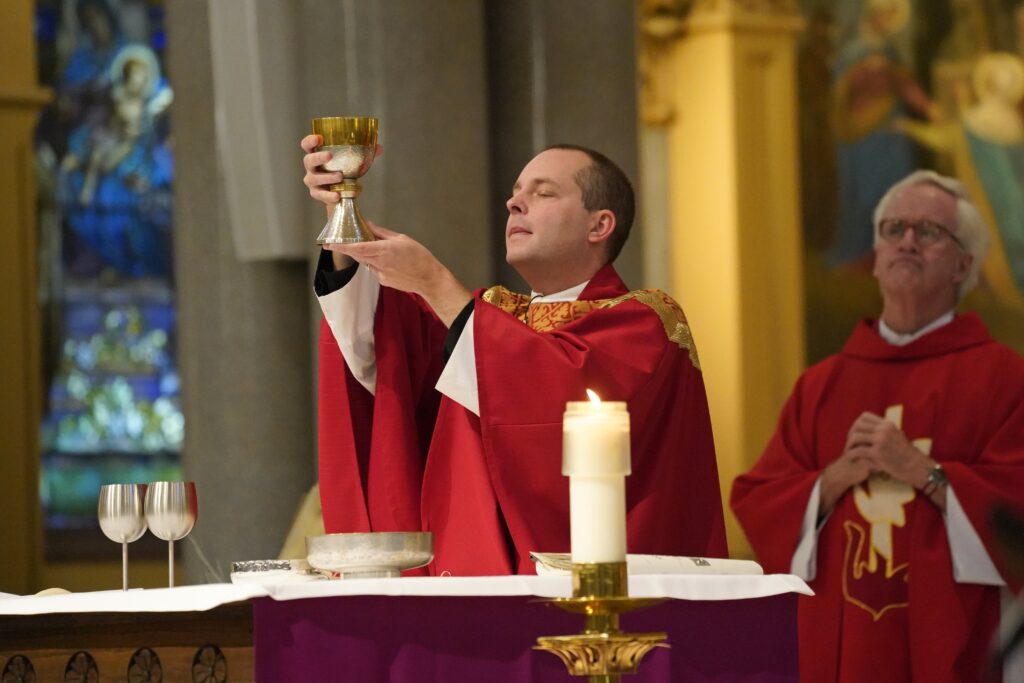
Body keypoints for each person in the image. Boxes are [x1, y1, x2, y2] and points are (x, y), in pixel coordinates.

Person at [302, 139, 727, 575]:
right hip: (469, 577)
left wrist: (434, 283)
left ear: (599, 226)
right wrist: (343, 215)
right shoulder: (489, 317)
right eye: (516, 191)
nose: (514, 203)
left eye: (543, 193)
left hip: (589, 588)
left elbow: (552, 400)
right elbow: (388, 349)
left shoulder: (644, 321)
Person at [732, 170, 1024, 682]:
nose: (907, 242)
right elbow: (761, 500)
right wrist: (833, 480)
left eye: (928, 232)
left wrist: (926, 472)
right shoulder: (821, 385)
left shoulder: (1006, 378)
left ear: (965, 264)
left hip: (957, 640)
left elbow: (1017, 514)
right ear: (875, 256)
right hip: (844, 646)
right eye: (893, 229)